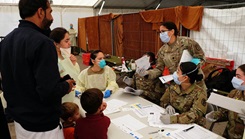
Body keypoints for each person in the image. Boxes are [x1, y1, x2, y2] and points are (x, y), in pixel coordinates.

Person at [0, 0, 75, 138]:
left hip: (20, 122)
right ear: (41, 12)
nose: (52, 17)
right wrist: (66, 85)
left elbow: (19, 78)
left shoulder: (6, 41)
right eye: (50, 11)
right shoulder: (43, 43)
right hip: (43, 127)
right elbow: (48, 91)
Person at [138, 21, 206, 89]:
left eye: (163, 31)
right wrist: (147, 73)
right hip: (176, 84)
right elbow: (159, 69)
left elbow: (200, 57)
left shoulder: (187, 43)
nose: (161, 34)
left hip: (193, 81)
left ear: (172, 31)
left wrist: (188, 68)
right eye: (160, 32)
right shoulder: (162, 50)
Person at [160, 62, 207, 126]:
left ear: (185, 78)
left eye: (178, 71)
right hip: (174, 123)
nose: (175, 73)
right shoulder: (174, 86)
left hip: (192, 126)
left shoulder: (200, 93)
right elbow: (163, 100)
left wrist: (174, 119)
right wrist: (167, 105)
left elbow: (195, 114)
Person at [206, 64, 245, 139]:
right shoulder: (234, 93)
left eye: (238, 76)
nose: (234, 79)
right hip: (228, 135)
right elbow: (225, 112)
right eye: (235, 75)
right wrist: (215, 115)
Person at [50, 27, 81, 102]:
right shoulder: (53, 61)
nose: (70, 43)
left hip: (72, 95)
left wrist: (74, 64)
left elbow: (76, 75)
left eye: (69, 39)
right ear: (56, 44)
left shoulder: (66, 56)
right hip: (62, 99)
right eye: (66, 41)